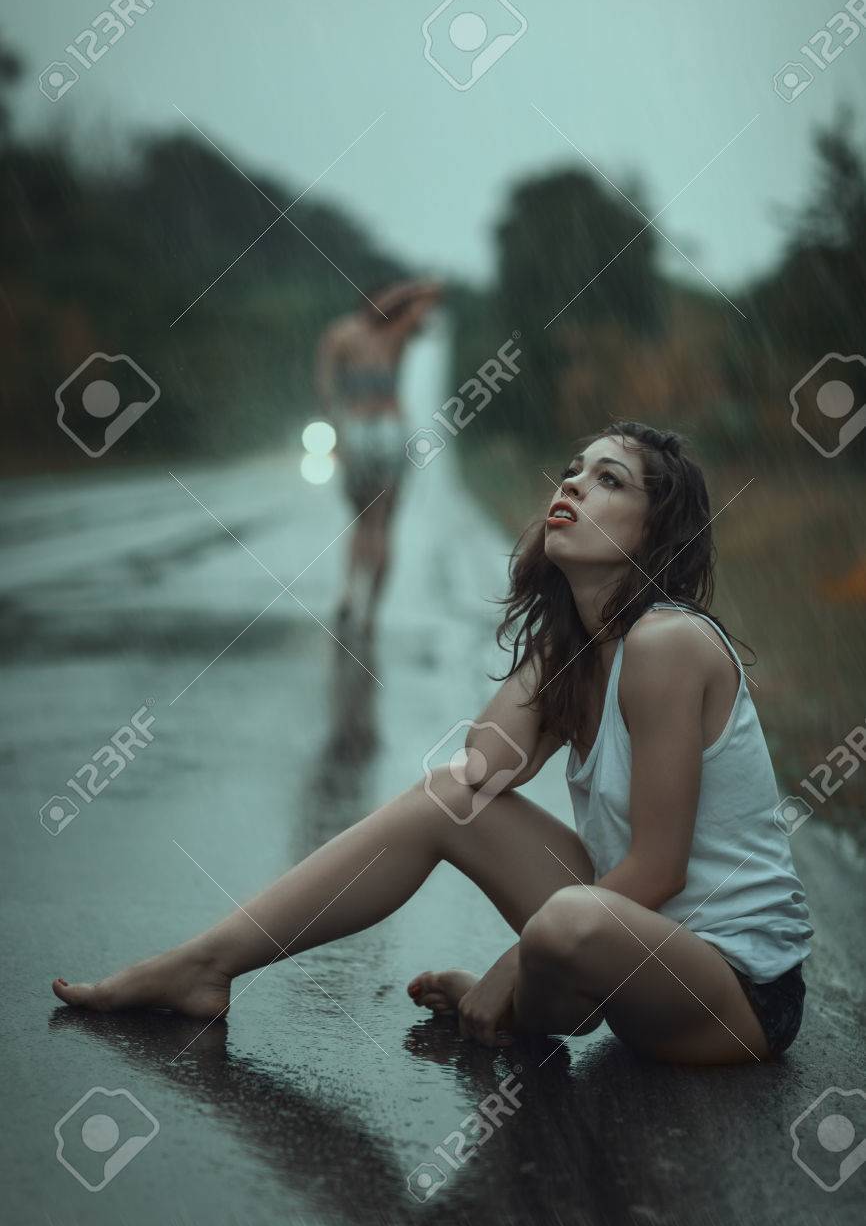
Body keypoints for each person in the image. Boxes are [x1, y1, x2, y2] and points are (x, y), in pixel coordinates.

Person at [52, 420, 813, 1065]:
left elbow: (660, 866)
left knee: (565, 921)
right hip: (628, 954)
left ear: (656, 531)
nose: (573, 486)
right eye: (572, 472)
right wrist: (560, 632)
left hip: (734, 992)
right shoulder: (586, 650)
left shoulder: (668, 643)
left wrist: (514, 960)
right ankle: (206, 964)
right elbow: (483, 766)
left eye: (608, 481)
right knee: (450, 797)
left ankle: (520, 996)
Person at [314, 278, 443, 637]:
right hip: (389, 428)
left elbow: (325, 388)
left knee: (361, 520)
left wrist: (336, 431)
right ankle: (369, 612)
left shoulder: (339, 334)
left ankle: (350, 593)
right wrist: (415, 287)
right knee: (383, 523)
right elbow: (431, 297)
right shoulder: (396, 332)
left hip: (355, 427)